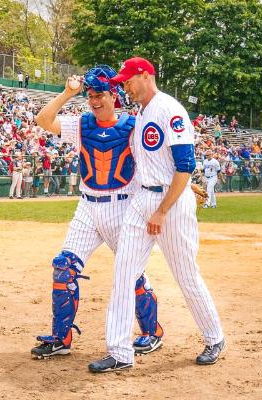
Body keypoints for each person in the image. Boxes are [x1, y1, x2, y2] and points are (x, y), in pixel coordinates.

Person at [89, 57, 224, 373]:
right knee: (124, 273)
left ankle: (214, 337)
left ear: (146, 76)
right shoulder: (141, 113)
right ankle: (120, 351)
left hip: (169, 206)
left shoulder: (170, 110)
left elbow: (185, 165)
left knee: (185, 274)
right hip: (142, 200)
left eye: (128, 80)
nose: (124, 86)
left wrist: (163, 210)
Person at [31, 65, 163, 360]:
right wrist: (68, 92)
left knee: (133, 275)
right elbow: (43, 120)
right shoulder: (82, 125)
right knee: (63, 268)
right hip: (88, 206)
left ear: (114, 96)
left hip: (123, 205)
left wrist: (182, 185)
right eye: (90, 96)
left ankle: (152, 332)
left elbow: (157, 160)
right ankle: (60, 338)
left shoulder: (133, 125)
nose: (94, 101)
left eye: (100, 95)